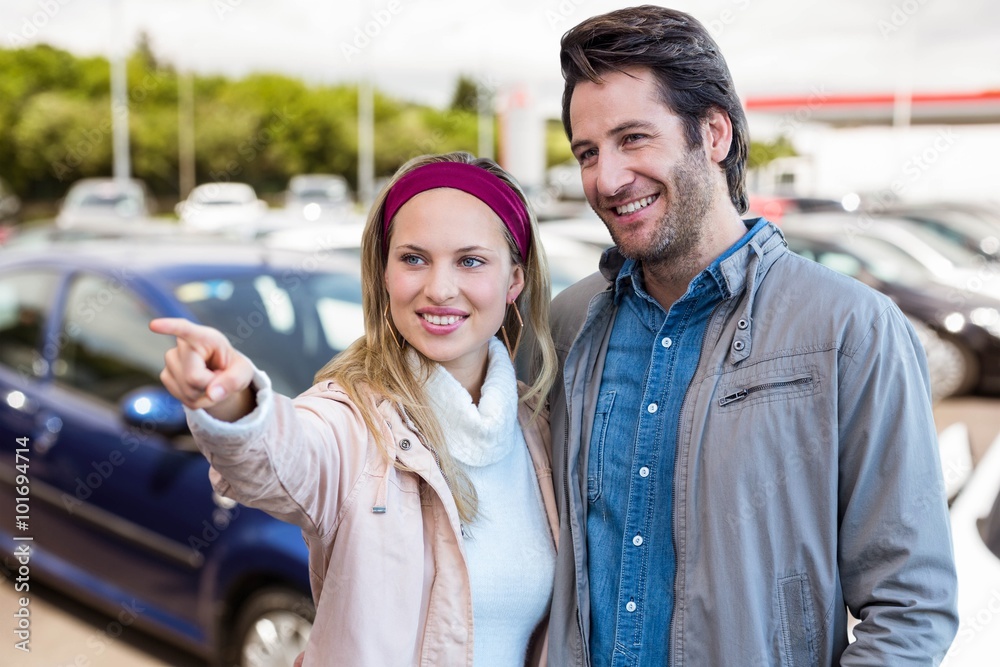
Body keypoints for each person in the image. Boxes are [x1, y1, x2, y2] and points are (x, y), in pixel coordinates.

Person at [542, 6, 959, 666]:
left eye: (633, 139)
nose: (606, 178)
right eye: (588, 152)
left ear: (712, 133)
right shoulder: (571, 323)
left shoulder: (850, 329)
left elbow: (910, 604)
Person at [150, 151, 560, 666]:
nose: (438, 288)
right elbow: (281, 454)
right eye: (413, 258)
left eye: (470, 260)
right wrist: (232, 400)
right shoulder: (350, 422)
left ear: (514, 281)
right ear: (385, 273)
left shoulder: (536, 432)